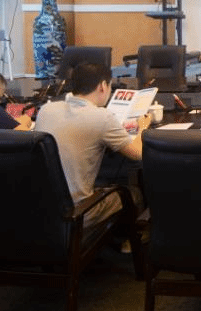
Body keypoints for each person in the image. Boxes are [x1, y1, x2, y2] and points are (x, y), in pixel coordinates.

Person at [34, 63, 152, 229]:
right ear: (103, 86)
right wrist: (143, 127)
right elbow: (138, 153)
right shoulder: (102, 117)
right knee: (135, 193)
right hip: (78, 214)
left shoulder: (46, 110)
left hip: (43, 211)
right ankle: (128, 240)